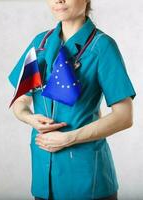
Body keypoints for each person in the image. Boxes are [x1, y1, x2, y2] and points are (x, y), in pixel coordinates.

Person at [7, 0, 136, 199]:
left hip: (87, 180)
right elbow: (21, 100)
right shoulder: (40, 44)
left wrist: (69, 138)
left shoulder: (102, 46)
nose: (58, 0)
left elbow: (124, 116)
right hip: (43, 177)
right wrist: (29, 117)